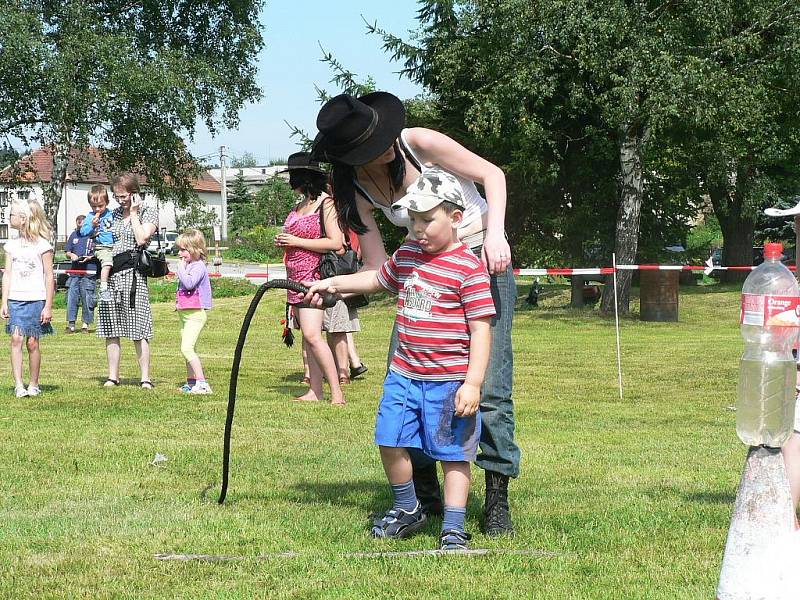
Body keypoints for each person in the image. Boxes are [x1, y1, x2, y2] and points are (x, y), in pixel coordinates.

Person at [312, 91, 519, 534]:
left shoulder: (418, 142)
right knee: (405, 382)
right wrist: (333, 286)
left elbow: (492, 175)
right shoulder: (357, 193)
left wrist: (497, 234)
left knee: (491, 386)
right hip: (420, 271)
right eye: (372, 145)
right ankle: (422, 499)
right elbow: (376, 269)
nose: (387, 146)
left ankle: (497, 496)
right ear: (350, 157)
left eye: (384, 137)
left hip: (482, 258)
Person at [306, 168, 495, 550]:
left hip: (450, 381)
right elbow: (377, 280)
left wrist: (473, 383)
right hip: (404, 375)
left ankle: (454, 527)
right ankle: (408, 507)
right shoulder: (408, 255)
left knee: (454, 455)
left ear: (456, 218)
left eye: (427, 220)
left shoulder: (469, 269)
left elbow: (481, 330)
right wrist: (334, 284)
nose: (417, 230)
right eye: (413, 221)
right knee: (389, 438)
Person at [275, 152, 345, 405]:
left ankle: (336, 392)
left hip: (313, 278)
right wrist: (286, 243)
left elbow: (336, 243)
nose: (290, 181)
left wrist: (296, 241)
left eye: (293, 175)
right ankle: (315, 390)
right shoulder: (301, 204)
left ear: (305, 176)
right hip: (294, 277)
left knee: (314, 336)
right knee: (308, 336)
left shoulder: (325, 203)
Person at [96, 173, 158, 388]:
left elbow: (142, 238)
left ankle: (145, 378)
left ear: (134, 193)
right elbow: (102, 240)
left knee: (138, 327)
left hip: (133, 276)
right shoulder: (111, 214)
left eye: (123, 196)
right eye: (117, 196)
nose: (120, 200)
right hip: (112, 274)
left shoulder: (147, 211)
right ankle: (113, 376)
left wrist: (133, 214)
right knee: (111, 327)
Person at [1, 198, 54, 397]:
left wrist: (48, 305)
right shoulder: (11, 245)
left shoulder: (42, 245)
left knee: (32, 342)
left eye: (12, 215)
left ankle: (33, 383)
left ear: (23, 219)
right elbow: (7, 274)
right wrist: (4, 301)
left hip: (36, 299)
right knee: (16, 339)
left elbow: (49, 276)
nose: (9, 218)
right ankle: (18, 384)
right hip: (16, 299)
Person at [175, 229, 213, 394]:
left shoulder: (198, 267)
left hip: (195, 315)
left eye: (183, 249)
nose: (180, 253)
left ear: (195, 249)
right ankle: (191, 382)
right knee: (188, 347)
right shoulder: (189, 265)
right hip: (185, 313)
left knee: (187, 348)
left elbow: (189, 283)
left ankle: (202, 383)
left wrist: (180, 269)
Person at [80, 185, 115, 302]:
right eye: (94, 206)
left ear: (107, 202)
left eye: (100, 206)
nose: (97, 209)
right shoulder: (90, 217)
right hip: (101, 247)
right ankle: (103, 288)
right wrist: (92, 225)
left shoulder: (112, 214)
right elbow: (83, 232)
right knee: (107, 264)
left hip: (114, 246)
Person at [64, 214, 97, 333]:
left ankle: (85, 325)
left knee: (87, 298)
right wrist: (71, 254)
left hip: (89, 272)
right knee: (71, 298)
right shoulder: (74, 234)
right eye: (78, 225)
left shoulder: (94, 235)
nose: (80, 228)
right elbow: (67, 251)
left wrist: (90, 257)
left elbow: (100, 251)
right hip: (75, 272)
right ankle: (71, 324)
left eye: (82, 225)